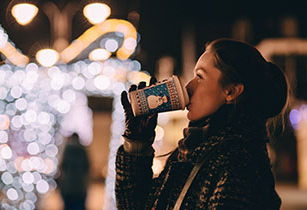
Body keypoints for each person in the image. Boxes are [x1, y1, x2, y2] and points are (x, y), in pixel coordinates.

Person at [115, 38, 288, 209]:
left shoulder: (237, 165)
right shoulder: (192, 151)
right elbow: (137, 205)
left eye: (200, 76)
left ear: (231, 91)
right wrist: (137, 143)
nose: (189, 86)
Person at [58, 133, 90, 210]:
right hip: (79, 185)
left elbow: (62, 165)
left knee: (69, 205)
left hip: (69, 185)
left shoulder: (67, 150)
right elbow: (87, 166)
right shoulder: (82, 150)